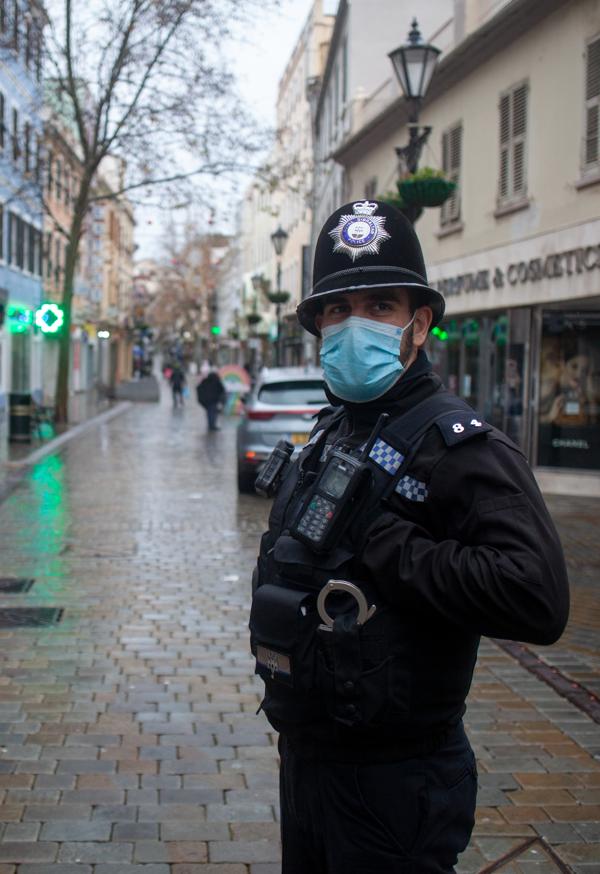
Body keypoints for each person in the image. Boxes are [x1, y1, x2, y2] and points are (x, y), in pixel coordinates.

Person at [249, 200, 569, 874]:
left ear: (418, 325)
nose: (351, 324)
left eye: (379, 305)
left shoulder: (460, 445)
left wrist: (389, 545)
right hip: (308, 760)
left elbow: (536, 595)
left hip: (396, 783)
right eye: (336, 310)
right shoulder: (337, 427)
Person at [196, 365, 226, 431]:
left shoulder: (205, 380)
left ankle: (210, 425)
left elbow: (199, 387)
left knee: (209, 413)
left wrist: (201, 397)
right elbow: (222, 389)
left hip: (206, 400)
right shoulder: (217, 381)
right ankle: (212, 426)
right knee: (213, 413)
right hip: (213, 400)